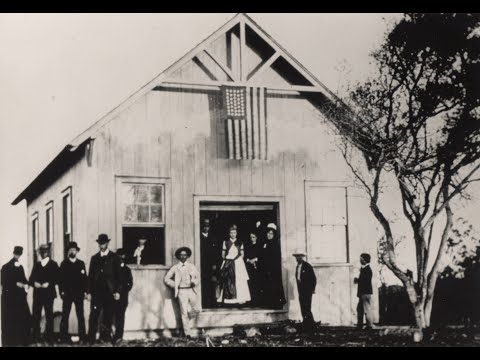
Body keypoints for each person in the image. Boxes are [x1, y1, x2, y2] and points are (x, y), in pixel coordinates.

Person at [86, 233, 122, 344]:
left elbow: (119, 277)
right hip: (97, 292)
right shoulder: (94, 258)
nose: (102, 246)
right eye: (100, 244)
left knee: (108, 316)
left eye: (104, 243)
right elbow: (90, 277)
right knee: (94, 315)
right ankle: (91, 339)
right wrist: (88, 292)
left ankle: (104, 338)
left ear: (107, 243)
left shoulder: (114, 258)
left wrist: (117, 291)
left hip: (109, 292)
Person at [164, 247, 201, 338]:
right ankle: (187, 333)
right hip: (181, 291)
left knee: (197, 308)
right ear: (178, 257)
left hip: (191, 290)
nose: (183, 257)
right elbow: (167, 279)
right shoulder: (175, 267)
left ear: (187, 256)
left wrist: (194, 283)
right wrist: (175, 285)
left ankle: (188, 324)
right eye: (181, 255)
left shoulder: (191, 266)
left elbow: (198, 278)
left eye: (185, 255)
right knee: (184, 312)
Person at [1, 246, 31, 346]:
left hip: (18, 299)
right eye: (17, 254)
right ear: (14, 253)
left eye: (19, 254)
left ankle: (20, 341)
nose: (17, 256)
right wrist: (16, 284)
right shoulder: (6, 267)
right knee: (12, 320)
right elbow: (4, 282)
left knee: (22, 318)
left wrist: (25, 285)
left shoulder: (19, 267)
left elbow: (24, 280)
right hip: (11, 299)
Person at [59, 242, 88, 343]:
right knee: (65, 315)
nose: (72, 251)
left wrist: (85, 291)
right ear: (68, 251)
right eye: (70, 249)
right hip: (67, 294)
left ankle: (82, 337)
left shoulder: (81, 264)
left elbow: (85, 279)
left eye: (74, 249)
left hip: (79, 294)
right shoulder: (64, 264)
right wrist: (61, 291)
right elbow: (60, 280)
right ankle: (63, 337)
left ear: (77, 251)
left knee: (80, 315)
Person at [29, 243, 59, 343]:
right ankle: (36, 336)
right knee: (36, 315)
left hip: (49, 294)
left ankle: (49, 337)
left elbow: (57, 278)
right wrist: (34, 283)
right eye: (42, 251)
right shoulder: (37, 265)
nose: (44, 253)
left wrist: (49, 283)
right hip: (38, 294)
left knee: (49, 315)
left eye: (46, 251)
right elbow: (31, 279)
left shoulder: (53, 264)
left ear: (49, 252)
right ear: (40, 253)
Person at [217, 224, 251, 306]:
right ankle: (229, 300)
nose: (233, 234)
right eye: (231, 233)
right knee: (228, 280)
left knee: (239, 280)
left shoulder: (240, 242)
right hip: (228, 262)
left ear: (236, 233)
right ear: (229, 233)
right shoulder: (226, 242)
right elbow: (223, 254)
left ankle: (240, 299)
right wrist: (228, 261)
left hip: (238, 263)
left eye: (234, 232)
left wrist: (238, 261)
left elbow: (242, 254)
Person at [258, 223, 286, 309]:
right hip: (266, 269)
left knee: (274, 286)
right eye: (268, 233)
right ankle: (268, 303)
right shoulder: (265, 244)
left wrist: (271, 268)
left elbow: (275, 259)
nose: (269, 235)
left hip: (273, 270)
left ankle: (276, 304)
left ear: (274, 234)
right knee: (267, 286)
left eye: (271, 233)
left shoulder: (275, 245)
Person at [293, 249, 317, 333]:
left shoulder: (307, 266)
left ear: (302, 257)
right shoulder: (297, 267)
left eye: (299, 256)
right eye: (296, 257)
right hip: (301, 290)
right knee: (303, 307)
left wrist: (312, 289)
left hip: (307, 291)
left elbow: (313, 279)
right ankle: (307, 324)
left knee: (307, 307)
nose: (297, 258)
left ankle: (311, 325)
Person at [113, 248, 133, 344]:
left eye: (123, 256)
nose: (121, 258)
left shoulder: (127, 270)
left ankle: (118, 337)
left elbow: (130, 283)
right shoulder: (111, 269)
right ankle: (108, 336)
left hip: (122, 298)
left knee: (120, 318)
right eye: (119, 256)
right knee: (108, 317)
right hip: (112, 297)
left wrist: (122, 292)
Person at [199, 218, 221, 308]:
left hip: (211, 265)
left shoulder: (213, 238)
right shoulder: (199, 237)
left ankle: (212, 302)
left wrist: (215, 264)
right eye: (204, 226)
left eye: (207, 226)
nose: (206, 228)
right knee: (203, 283)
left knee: (212, 283)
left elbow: (216, 252)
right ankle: (204, 302)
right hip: (202, 264)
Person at [354, 253, 374, 330]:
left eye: (361, 259)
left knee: (366, 309)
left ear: (365, 260)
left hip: (365, 292)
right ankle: (360, 325)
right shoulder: (364, 269)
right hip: (363, 293)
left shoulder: (367, 269)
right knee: (360, 309)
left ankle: (369, 325)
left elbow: (365, 281)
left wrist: (358, 280)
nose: (360, 260)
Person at [245, 229, 262, 306]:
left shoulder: (259, 246)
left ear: (256, 237)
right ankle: (251, 301)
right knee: (250, 283)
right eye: (251, 237)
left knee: (257, 284)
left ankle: (257, 301)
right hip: (249, 267)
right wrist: (249, 260)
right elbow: (245, 256)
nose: (252, 239)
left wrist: (255, 259)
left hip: (257, 267)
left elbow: (261, 256)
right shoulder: (248, 246)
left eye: (253, 237)